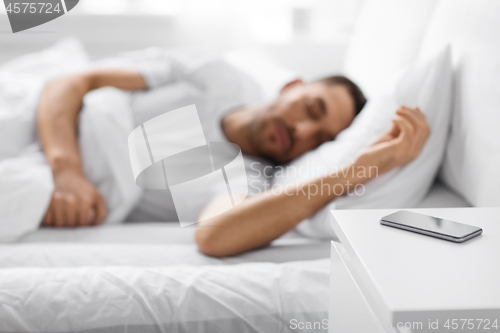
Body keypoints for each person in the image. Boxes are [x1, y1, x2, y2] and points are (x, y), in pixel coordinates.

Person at [37, 49, 429, 256]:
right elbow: (73, 80)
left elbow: (214, 236)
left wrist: (354, 172)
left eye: (321, 141)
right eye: (311, 108)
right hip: (48, 127)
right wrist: (67, 170)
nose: (303, 130)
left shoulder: (248, 179)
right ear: (291, 85)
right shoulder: (216, 74)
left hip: (45, 180)